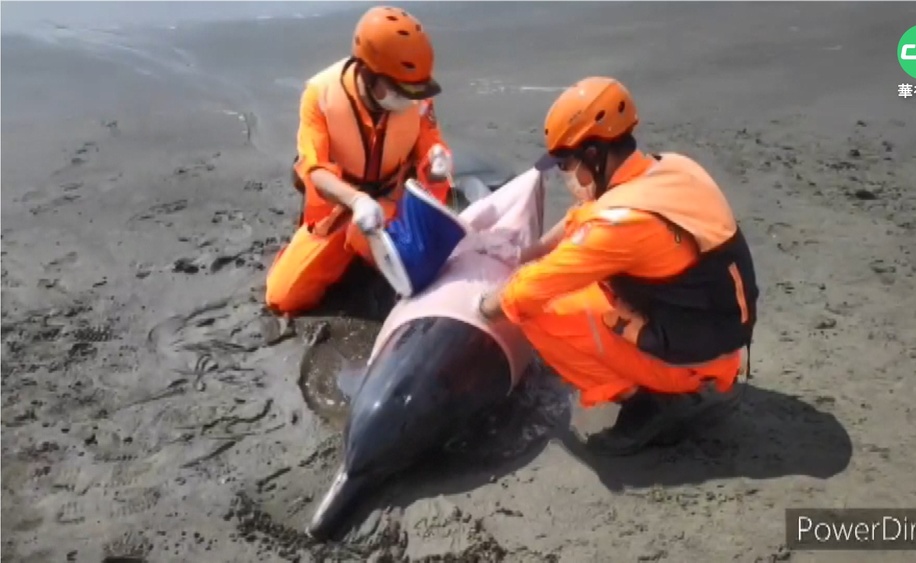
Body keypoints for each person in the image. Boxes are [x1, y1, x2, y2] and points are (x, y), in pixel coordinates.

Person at [477, 77, 759, 456]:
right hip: (716, 336)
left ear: (593, 154)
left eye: (566, 162)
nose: (565, 174)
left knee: (533, 314)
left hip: (693, 357)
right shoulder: (671, 168)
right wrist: (529, 253)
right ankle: (684, 376)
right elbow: (585, 216)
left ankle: (656, 399)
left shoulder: (621, 224)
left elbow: (528, 291)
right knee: (575, 283)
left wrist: (482, 308)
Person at [266, 5, 454, 315]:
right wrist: (356, 201)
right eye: (398, 89)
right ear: (367, 72)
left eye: (415, 90)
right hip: (340, 208)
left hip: (394, 204)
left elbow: (430, 141)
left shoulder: (416, 95)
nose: (409, 98)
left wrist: (437, 162)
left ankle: (374, 253)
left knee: (421, 277)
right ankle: (344, 250)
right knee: (284, 297)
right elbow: (313, 170)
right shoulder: (320, 96)